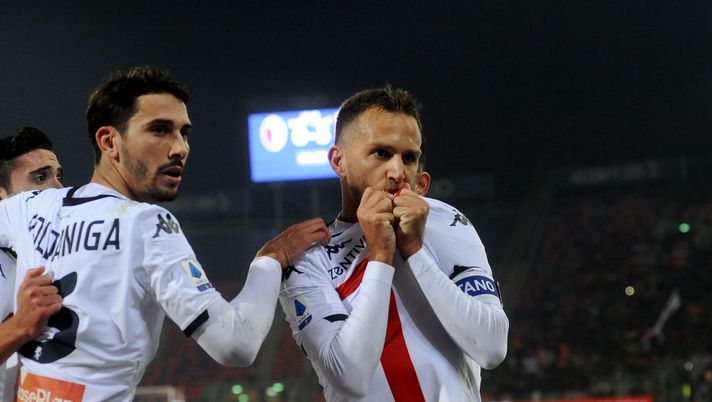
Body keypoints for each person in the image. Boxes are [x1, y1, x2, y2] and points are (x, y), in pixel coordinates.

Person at [0, 67, 329, 401]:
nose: (180, 148)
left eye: (184, 133)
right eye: (160, 130)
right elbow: (236, 345)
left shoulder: (28, 208)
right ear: (109, 141)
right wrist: (270, 260)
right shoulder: (148, 224)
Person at [279, 86, 509, 401]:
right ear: (339, 161)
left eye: (409, 158)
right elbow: (349, 377)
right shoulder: (308, 258)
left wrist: (414, 252)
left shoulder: (447, 221)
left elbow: (493, 347)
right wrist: (380, 256)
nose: (397, 172)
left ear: (422, 179)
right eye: (381, 153)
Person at [0, 127, 64, 401]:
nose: (59, 189)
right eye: (40, 178)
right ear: (2, 195)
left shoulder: (56, 252)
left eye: (58, 177)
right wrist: (20, 326)